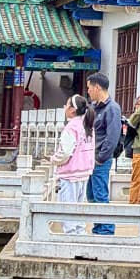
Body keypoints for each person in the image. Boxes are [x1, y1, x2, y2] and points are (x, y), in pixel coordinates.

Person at [50, 94, 96, 236]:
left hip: (71, 174)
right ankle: (80, 238)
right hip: (84, 172)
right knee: (79, 209)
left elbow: (65, 152)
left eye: (66, 105)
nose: (65, 107)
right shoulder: (87, 125)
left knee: (68, 209)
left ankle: (70, 241)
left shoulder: (71, 127)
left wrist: (53, 159)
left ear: (72, 110)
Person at [85, 72, 123, 237]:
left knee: (100, 193)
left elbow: (112, 136)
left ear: (97, 87)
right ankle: (98, 226)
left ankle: (106, 229)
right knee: (91, 193)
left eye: (89, 88)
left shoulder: (112, 108)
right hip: (91, 158)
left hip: (100, 158)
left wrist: (101, 158)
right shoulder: (95, 107)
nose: (88, 92)